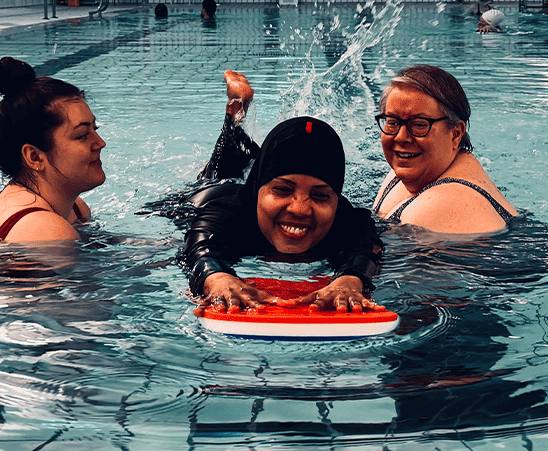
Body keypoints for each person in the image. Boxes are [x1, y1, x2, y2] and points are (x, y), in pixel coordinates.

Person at [182, 71, 382, 312]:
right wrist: (214, 277)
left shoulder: (346, 220)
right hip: (208, 192)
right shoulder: (225, 213)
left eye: (319, 195)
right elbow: (199, 245)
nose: (299, 208)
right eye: (282, 190)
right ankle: (235, 113)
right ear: (258, 190)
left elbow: (367, 247)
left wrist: (352, 279)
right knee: (222, 166)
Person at [372, 65, 517, 235]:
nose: (401, 137)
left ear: (456, 134)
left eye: (419, 125)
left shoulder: (446, 205)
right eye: (392, 122)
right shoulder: (416, 171)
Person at [0, 57, 106, 242]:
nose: (100, 143)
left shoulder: (75, 210)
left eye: (95, 129)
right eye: (82, 135)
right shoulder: (48, 231)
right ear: (34, 157)